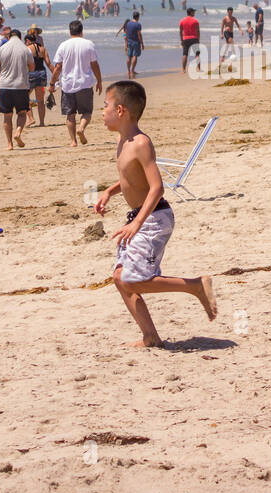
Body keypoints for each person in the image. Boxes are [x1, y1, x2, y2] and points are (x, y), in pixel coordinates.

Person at [92, 81, 217, 348]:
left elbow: (157, 187)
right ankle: (150, 337)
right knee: (119, 278)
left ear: (121, 110)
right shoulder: (122, 141)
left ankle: (195, 285)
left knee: (133, 279)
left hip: (153, 219)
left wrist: (137, 223)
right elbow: (129, 179)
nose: (101, 112)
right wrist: (108, 193)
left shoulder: (141, 143)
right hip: (138, 217)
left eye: (105, 106)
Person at [50, 20, 101, 147]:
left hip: (68, 85)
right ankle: (82, 128)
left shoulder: (63, 45)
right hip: (85, 83)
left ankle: (73, 141)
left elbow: (58, 67)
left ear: (70, 31)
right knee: (87, 112)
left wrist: (52, 83)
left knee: (70, 114)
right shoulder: (89, 44)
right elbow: (94, 65)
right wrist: (99, 80)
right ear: (82, 31)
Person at [0, 28, 35, 149]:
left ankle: (9, 144)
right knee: (22, 113)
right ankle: (18, 132)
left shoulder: (2, 49)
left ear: (9, 37)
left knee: (7, 116)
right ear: (20, 38)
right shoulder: (25, 49)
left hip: (4, 86)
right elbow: (32, 68)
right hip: (21, 86)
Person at [25, 26, 54, 126]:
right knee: (40, 100)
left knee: (25, 98)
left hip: (30, 74)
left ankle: (31, 118)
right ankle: (42, 122)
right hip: (42, 73)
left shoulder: (27, 49)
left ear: (28, 40)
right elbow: (49, 64)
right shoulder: (43, 49)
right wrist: (56, 76)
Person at [120, 12, 144, 79]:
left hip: (129, 42)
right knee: (135, 56)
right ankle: (132, 70)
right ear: (138, 17)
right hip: (136, 42)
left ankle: (128, 71)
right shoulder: (138, 24)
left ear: (133, 16)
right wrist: (142, 43)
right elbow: (139, 34)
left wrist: (126, 43)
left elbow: (126, 33)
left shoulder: (128, 23)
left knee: (129, 56)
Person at [179, 7, 200, 74]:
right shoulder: (195, 21)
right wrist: (198, 39)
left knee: (185, 54)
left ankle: (183, 69)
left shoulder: (182, 21)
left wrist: (181, 40)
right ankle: (199, 68)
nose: (194, 13)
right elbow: (198, 31)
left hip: (186, 39)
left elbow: (180, 31)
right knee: (197, 54)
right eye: (193, 11)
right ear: (190, 12)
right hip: (194, 38)